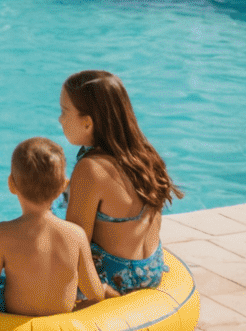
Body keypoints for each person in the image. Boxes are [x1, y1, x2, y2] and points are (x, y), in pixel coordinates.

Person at [0, 138, 115, 315]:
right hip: (60, 323)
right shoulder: (76, 235)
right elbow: (95, 293)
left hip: (15, 320)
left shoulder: (3, 234)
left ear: (11, 184)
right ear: (63, 186)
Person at [59, 70, 181, 294]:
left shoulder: (90, 169)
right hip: (150, 270)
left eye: (64, 111)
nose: (60, 119)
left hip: (113, 279)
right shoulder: (146, 156)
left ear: (88, 123)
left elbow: (74, 249)